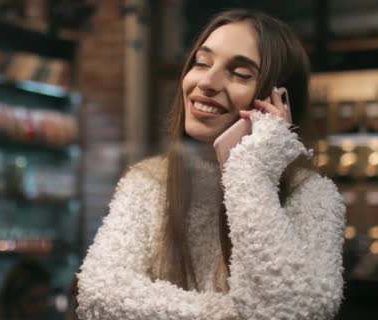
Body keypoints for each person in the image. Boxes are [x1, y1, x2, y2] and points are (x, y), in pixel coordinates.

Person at [76, 9, 345, 320]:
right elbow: (97, 295)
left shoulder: (314, 196)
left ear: (279, 104)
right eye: (201, 62)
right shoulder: (148, 181)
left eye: (240, 73)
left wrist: (251, 174)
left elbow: (296, 310)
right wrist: (237, 315)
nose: (207, 81)